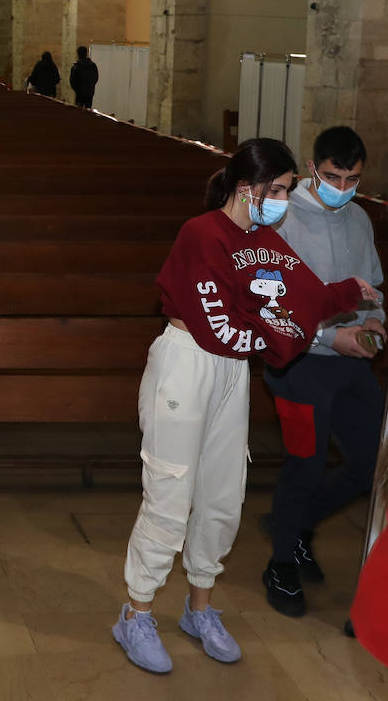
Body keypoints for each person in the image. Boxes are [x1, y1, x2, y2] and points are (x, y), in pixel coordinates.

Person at [112, 138, 380, 675]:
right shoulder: (201, 234)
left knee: (222, 492)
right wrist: (282, 341)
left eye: (285, 191)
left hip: (233, 368)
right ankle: (136, 612)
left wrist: (348, 294)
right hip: (188, 361)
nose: (283, 200)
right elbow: (215, 324)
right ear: (247, 187)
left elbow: (301, 297)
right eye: (277, 190)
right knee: (170, 489)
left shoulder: (265, 238)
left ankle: (200, 608)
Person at [261, 126, 385, 617]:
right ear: (314, 169)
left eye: (353, 178)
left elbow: (372, 286)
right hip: (300, 363)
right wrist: (330, 337)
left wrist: (378, 321)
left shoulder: (359, 219)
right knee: (306, 464)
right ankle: (280, 563)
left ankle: (292, 527)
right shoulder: (283, 219)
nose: (343, 187)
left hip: (352, 362)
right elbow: (270, 307)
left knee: (369, 464)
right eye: (334, 176)